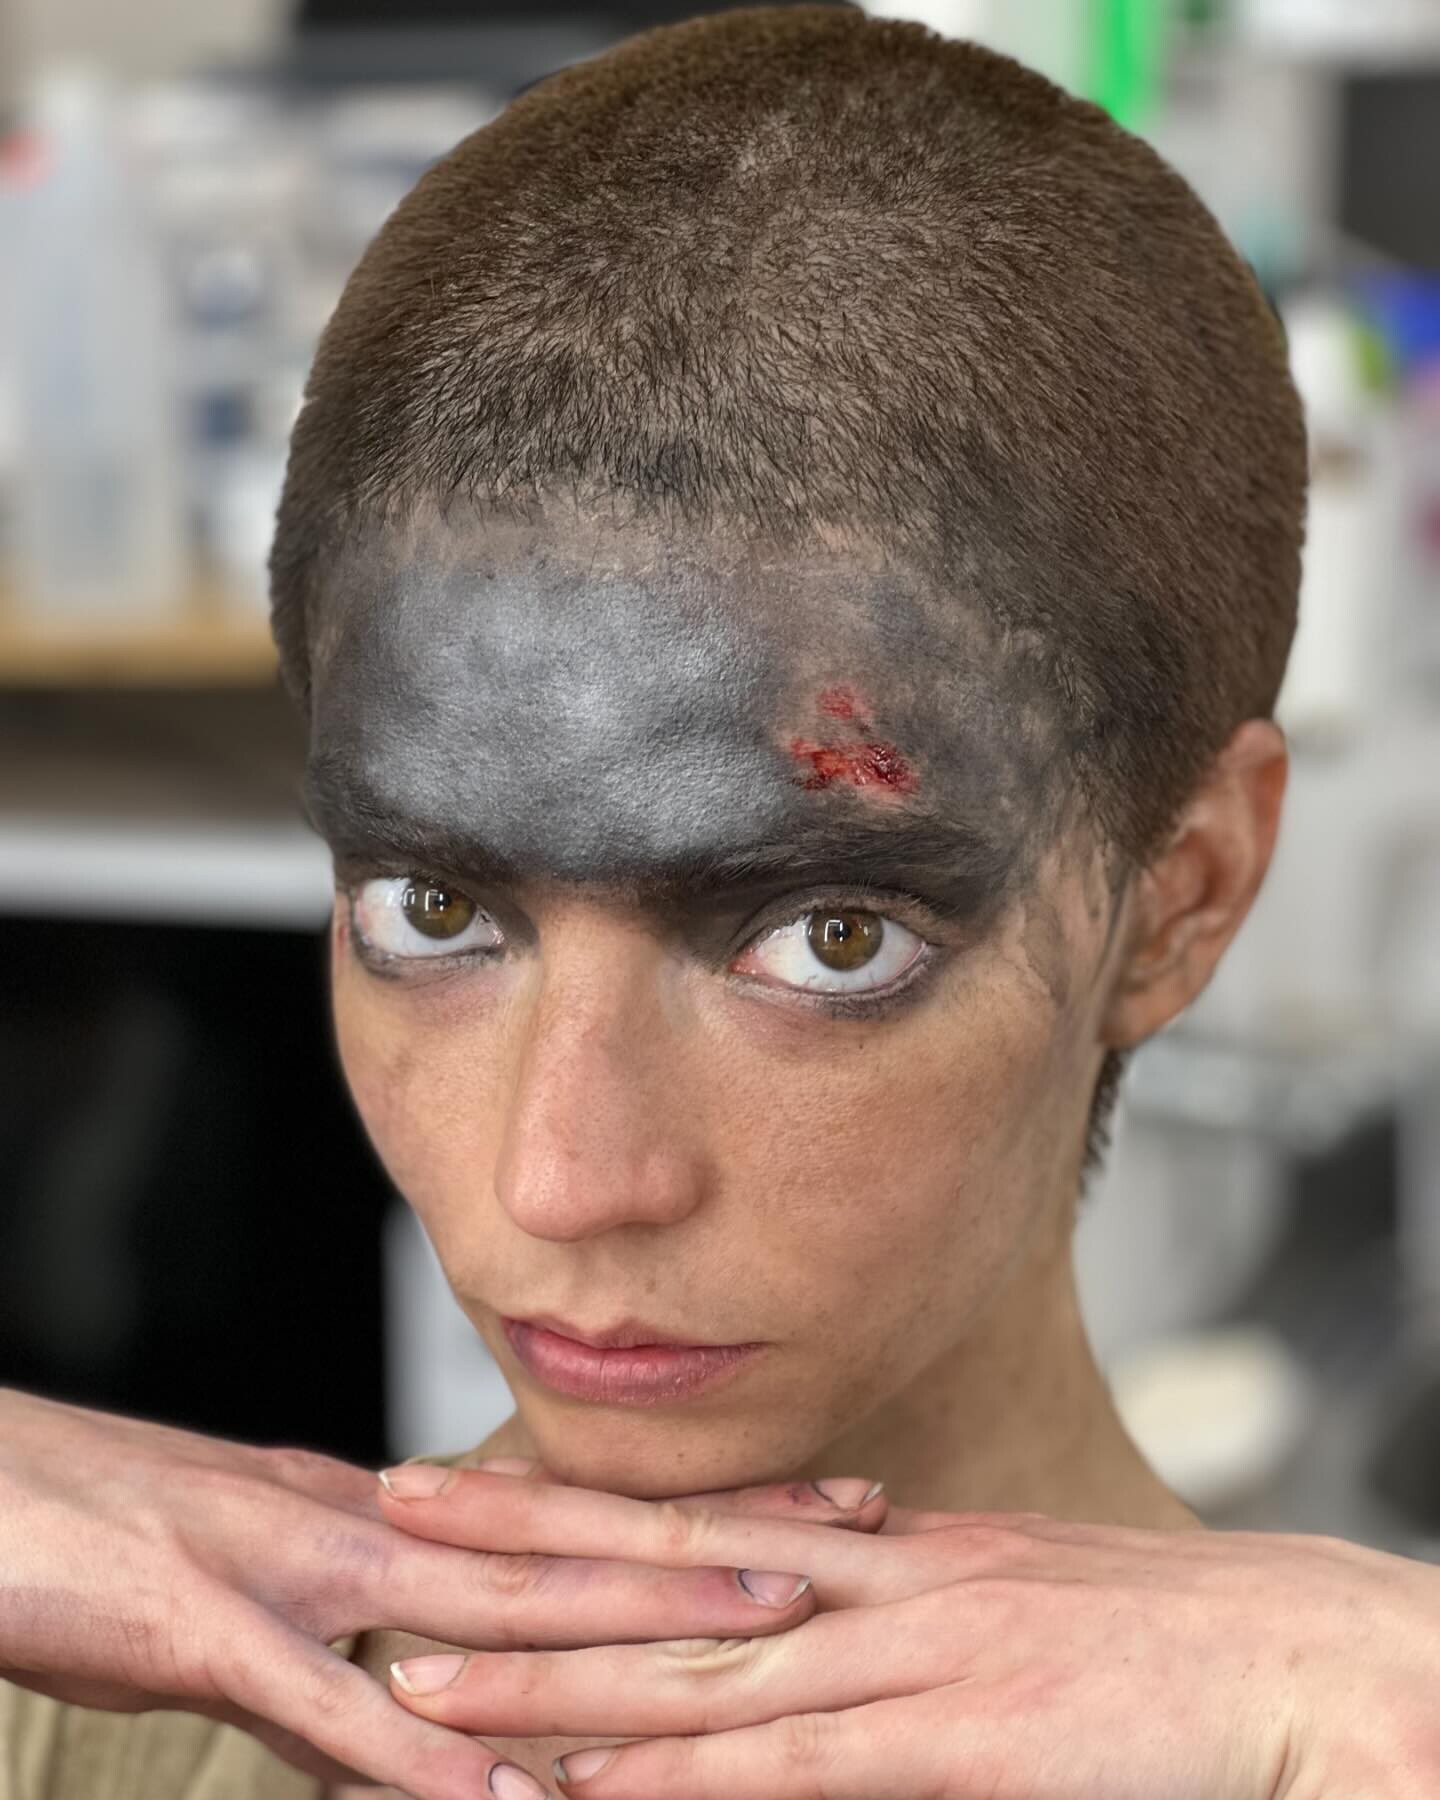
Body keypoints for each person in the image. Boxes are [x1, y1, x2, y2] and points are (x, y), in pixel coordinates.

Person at [3, 8, 1437, 1799]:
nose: (561, 1179)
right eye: (435, 914)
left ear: (1180, 896)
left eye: (827, 941)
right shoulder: (87, 1720)